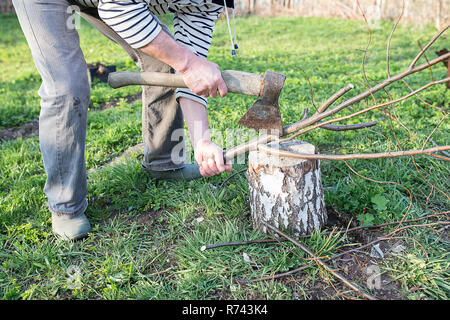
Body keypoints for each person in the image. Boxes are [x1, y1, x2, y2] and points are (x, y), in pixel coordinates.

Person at [12, 0, 236, 240]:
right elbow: (117, 9)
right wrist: (190, 64)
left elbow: (191, 72)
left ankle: (163, 163)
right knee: (67, 85)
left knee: (165, 60)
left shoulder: (212, 2)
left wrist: (201, 141)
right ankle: (66, 205)